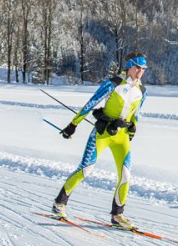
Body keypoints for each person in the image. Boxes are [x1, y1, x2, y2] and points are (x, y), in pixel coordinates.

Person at [51, 52, 148, 229]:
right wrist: (73, 125)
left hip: (121, 137)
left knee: (126, 175)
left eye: (143, 69)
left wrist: (133, 127)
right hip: (102, 134)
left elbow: (137, 112)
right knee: (86, 169)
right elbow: (90, 103)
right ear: (129, 66)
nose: (140, 71)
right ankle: (59, 204)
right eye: (138, 67)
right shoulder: (113, 84)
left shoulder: (142, 91)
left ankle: (118, 216)